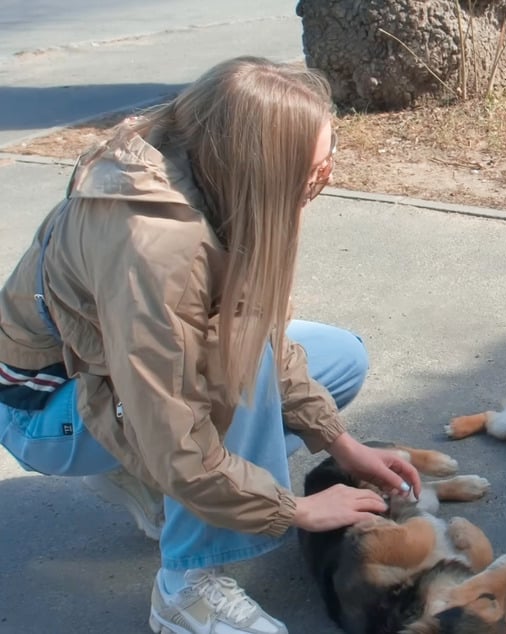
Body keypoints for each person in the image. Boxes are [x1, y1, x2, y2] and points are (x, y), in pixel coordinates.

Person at [0, 56, 421, 634]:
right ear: (261, 165)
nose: (323, 179)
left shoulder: (207, 170)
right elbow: (175, 428)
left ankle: (158, 488)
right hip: (41, 410)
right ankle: (184, 593)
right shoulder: (156, 249)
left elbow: (257, 327)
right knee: (236, 373)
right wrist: (294, 509)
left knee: (339, 358)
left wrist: (341, 444)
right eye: (315, 168)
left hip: (113, 382)